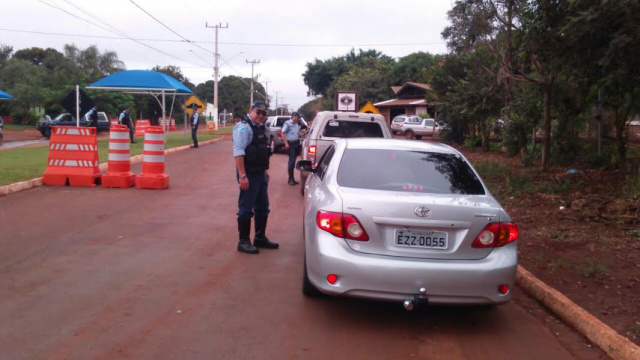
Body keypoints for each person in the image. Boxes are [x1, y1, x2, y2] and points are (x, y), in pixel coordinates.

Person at [232, 100, 278, 254]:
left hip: (260, 173)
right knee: (246, 208)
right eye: (258, 112)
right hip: (249, 173)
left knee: (263, 208)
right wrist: (242, 175)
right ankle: (243, 241)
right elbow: (239, 153)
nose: (261, 115)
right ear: (250, 110)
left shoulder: (260, 128)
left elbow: (262, 151)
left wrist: (265, 170)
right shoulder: (244, 128)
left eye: (264, 113)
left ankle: (259, 237)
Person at [281, 112, 304, 185]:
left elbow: (297, 134)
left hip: (296, 143)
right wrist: (286, 143)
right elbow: (282, 133)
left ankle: (292, 179)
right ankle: (290, 179)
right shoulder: (287, 123)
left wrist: (304, 133)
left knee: (294, 161)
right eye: (298, 117)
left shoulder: (296, 124)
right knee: (291, 161)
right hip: (290, 144)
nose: (298, 119)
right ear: (294, 116)